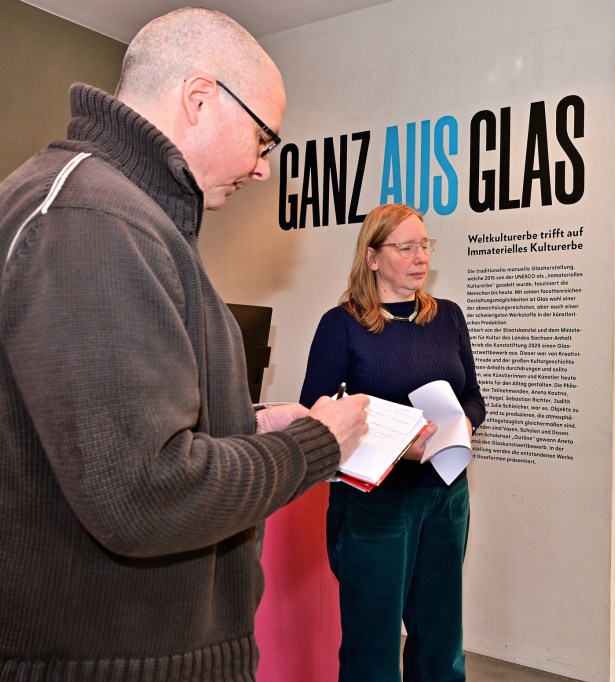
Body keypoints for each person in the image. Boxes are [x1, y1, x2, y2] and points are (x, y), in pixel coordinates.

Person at [0, 8, 369, 680]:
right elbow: (146, 493)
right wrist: (317, 445)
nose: (262, 169)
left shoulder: (120, 215)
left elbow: (101, 430)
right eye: (264, 140)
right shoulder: (94, 220)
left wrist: (252, 424)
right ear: (200, 99)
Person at [300, 202, 486, 681]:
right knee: (373, 649)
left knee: (441, 642)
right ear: (372, 257)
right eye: (405, 247)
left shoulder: (448, 317)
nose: (420, 257)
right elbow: (318, 418)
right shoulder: (341, 325)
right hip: (376, 504)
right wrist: (404, 445)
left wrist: (461, 427)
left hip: (446, 496)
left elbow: (472, 396)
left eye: (424, 245)